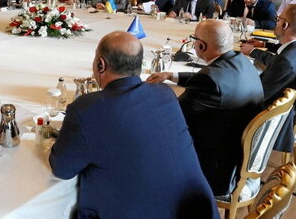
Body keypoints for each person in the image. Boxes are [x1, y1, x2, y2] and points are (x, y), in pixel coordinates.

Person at [50, 31, 218, 218]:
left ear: (100, 64)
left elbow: (62, 169)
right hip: (196, 211)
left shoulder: (87, 108)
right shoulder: (165, 93)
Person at [148, 20, 264, 196]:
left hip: (214, 169)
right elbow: (213, 79)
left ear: (201, 45)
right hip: (236, 152)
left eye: (194, 39)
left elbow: (174, 119)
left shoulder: (209, 81)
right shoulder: (241, 61)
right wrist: (172, 75)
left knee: (149, 142)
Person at [240, 4, 296, 153]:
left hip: (273, 120)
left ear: (285, 24)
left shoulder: (285, 62)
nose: (276, 22)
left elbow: (258, 98)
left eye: (278, 19)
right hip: (286, 110)